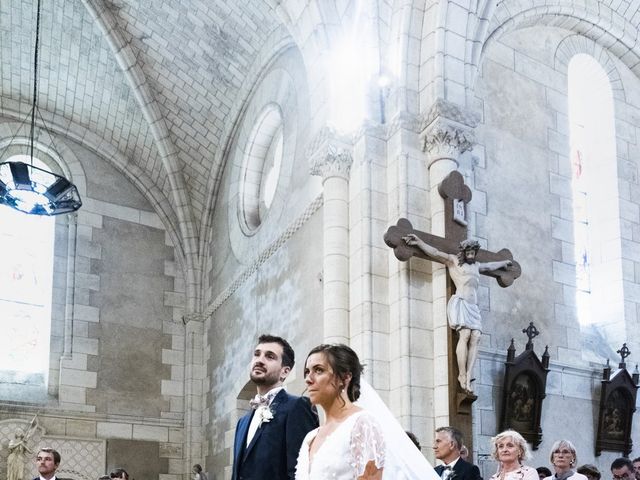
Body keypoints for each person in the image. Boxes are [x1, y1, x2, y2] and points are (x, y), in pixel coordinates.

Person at [295, 343, 439, 480]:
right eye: (307, 372)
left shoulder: (362, 424)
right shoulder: (310, 437)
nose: (308, 379)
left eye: (319, 370)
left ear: (345, 378)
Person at [403, 235, 511, 391]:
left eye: (474, 252)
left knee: (477, 336)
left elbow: (490, 266)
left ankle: (469, 373)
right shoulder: (453, 261)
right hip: (461, 302)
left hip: (473, 307)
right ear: (464, 252)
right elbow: (435, 252)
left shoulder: (477, 266)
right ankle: (461, 374)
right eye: (469, 252)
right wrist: (419, 242)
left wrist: (503, 262)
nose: (471, 255)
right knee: (465, 335)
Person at [232, 334, 319, 480]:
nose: (260, 360)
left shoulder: (298, 407)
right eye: (257, 354)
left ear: (285, 371)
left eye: (270, 356)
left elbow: (301, 473)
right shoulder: (242, 422)